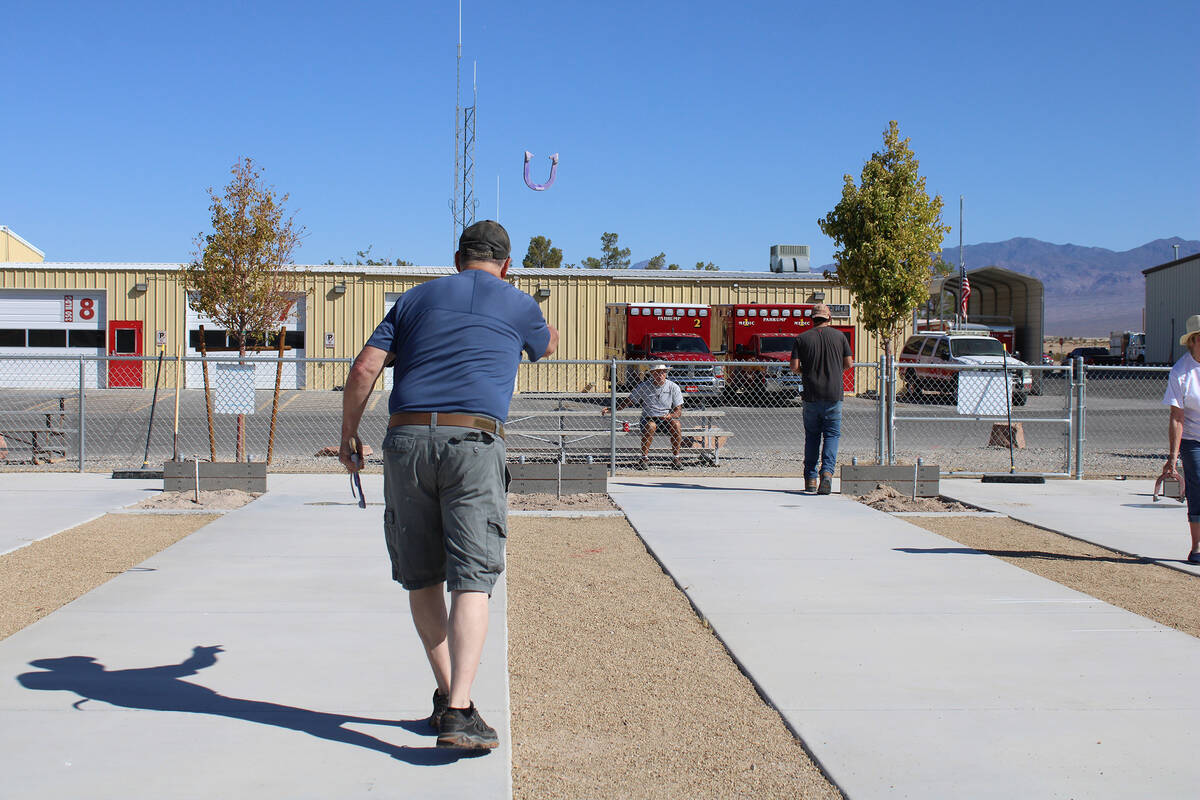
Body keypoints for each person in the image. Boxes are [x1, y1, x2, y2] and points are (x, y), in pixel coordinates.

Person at [340, 220, 558, 750]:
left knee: (421, 577)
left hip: (406, 440)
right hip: (473, 444)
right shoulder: (519, 302)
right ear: (506, 264)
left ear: (457, 258)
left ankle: (447, 698)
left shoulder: (416, 300)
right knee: (472, 577)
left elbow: (366, 366)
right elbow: (546, 348)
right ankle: (460, 709)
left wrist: (349, 435)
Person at [789, 303, 853, 495]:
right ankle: (827, 473)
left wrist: (805, 370)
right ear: (829, 318)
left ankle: (810, 478)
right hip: (834, 395)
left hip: (811, 394)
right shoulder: (840, 337)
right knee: (832, 435)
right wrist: (835, 369)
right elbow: (848, 363)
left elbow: (793, 366)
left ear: (812, 318)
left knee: (812, 437)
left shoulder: (802, 338)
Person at [1161, 313, 1200, 564]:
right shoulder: (1181, 372)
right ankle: (1197, 547)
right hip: (1193, 440)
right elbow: (1177, 417)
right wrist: (1172, 457)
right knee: (1197, 486)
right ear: (1194, 340)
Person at [602, 362, 684, 469]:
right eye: (656, 373)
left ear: (666, 373)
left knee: (676, 424)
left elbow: (678, 411)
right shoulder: (644, 386)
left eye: (662, 372)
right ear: (652, 374)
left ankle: (676, 457)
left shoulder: (673, 387)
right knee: (651, 426)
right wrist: (611, 409)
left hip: (666, 418)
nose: (659, 375)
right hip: (649, 418)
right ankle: (644, 458)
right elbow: (629, 401)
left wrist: (670, 415)